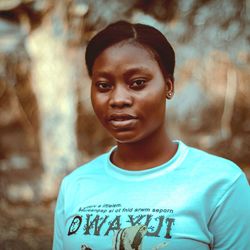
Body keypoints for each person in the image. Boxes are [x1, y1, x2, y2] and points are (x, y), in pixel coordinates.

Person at [53, 20, 250, 250]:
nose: (118, 99)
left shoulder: (221, 183)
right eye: (104, 85)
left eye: (137, 83)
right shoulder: (75, 186)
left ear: (168, 86)